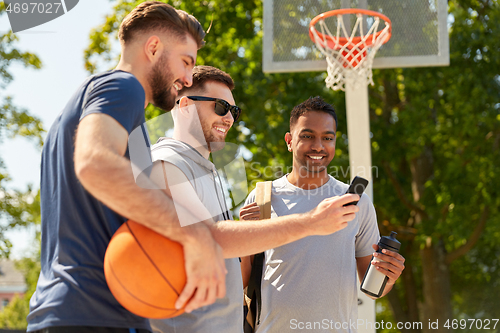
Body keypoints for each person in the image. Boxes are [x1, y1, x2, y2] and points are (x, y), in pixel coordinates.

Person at [27, 2, 227, 332]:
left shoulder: (89, 105)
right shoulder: (123, 86)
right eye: (186, 62)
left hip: (69, 310)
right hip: (94, 312)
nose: (189, 77)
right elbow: (94, 165)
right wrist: (194, 236)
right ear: (153, 48)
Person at [146, 66, 363, 333]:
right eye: (222, 107)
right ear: (185, 105)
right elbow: (211, 239)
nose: (229, 118)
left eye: (234, 111)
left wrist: (247, 234)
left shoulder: (206, 172)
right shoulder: (165, 163)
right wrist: (311, 223)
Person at [239, 96, 406, 333]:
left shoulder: (356, 203)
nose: (318, 146)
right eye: (307, 136)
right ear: (289, 141)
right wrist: (242, 239)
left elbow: (372, 288)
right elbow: (238, 283)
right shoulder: (262, 199)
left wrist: (389, 275)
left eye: (327, 138)